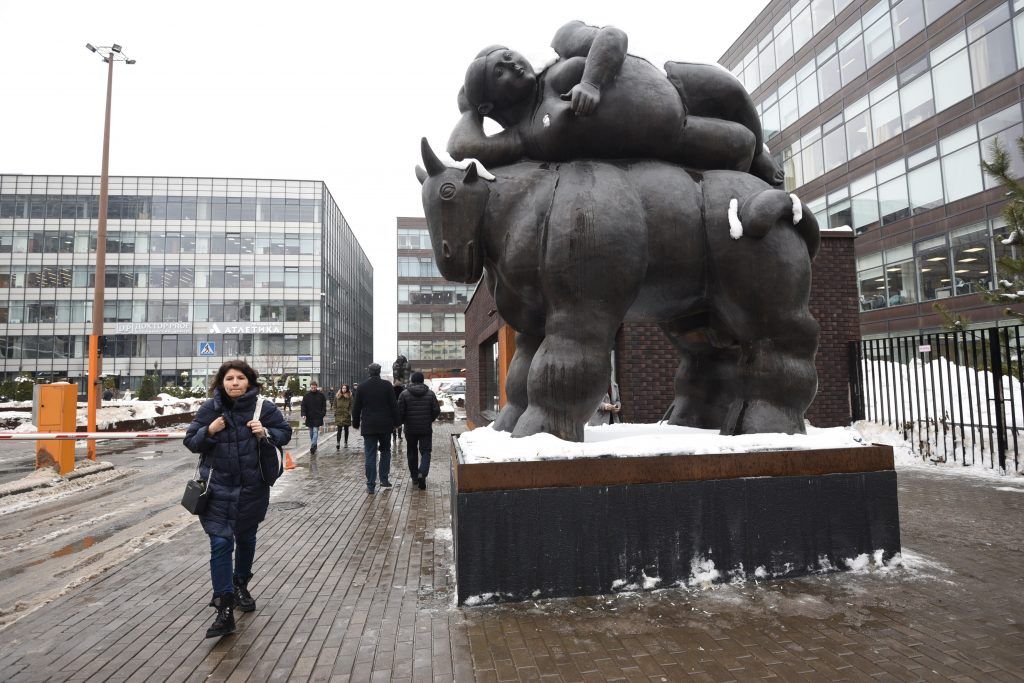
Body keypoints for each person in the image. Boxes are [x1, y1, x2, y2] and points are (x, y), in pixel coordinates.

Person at [448, 21, 783, 186]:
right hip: (675, 141)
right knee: (740, 144)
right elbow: (461, 147)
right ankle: (753, 156)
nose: (513, 64)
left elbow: (612, 37)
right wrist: (469, 108)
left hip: (676, 85)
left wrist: (592, 81)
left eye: (508, 57)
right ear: (488, 106)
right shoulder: (525, 135)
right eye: (499, 73)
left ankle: (761, 157)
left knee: (731, 91)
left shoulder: (560, 46)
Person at [184, 359, 292, 638]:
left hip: (251, 489)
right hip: (217, 490)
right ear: (222, 382)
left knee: (245, 539)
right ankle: (224, 608)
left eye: (240, 378)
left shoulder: (263, 408)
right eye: (229, 378)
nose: (234, 383)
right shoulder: (210, 409)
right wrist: (208, 431)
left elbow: (285, 433)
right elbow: (191, 441)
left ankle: (241, 583)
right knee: (220, 543)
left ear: (250, 382)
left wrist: (265, 431)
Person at [351, 363, 400, 494]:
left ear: (369, 372)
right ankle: (384, 479)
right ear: (379, 372)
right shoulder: (387, 386)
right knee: (385, 451)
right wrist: (397, 422)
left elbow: (356, 408)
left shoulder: (362, 387)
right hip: (385, 425)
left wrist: (355, 423)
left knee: (370, 455)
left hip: (369, 426)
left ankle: (371, 485)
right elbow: (394, 405)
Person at [398, 372, 441, 490]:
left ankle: (415, 477)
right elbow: (436, 410)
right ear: (422, 381)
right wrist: (429, 419)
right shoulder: (430, 394)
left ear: (412, 380)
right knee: (426, 451)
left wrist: (403, 421)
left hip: (410, 429)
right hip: (425, 429)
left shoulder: (404, 394)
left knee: (411, 452)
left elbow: (400, 412)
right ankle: (422, 472)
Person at [300, 381, 327, 454]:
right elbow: (303, 405)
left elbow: (324, 405)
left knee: (315, 431)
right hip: (309, 416)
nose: (313, 389)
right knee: (311, 432)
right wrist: (303, 414)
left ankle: (312, 445)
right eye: (312, 387)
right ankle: (314, 445)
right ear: (310, 387)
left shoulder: (321, 395)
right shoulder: (306, 396)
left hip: (318, 416)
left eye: (314, 387)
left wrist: (323, 413)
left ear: (316, 387)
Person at [334, 384, 353, 450]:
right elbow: (334, 404)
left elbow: (351, 405)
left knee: (346, 429)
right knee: (339, 429)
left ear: (347, 389)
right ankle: (338, 442)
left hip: (346, 414)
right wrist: (335, 411)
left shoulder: (350, 396)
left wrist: (349, 412)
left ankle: (345, 442)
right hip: (339, 414)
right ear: (341, 388)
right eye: (342, 388)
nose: (343, 389)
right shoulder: (337, 396)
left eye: (345, 388)